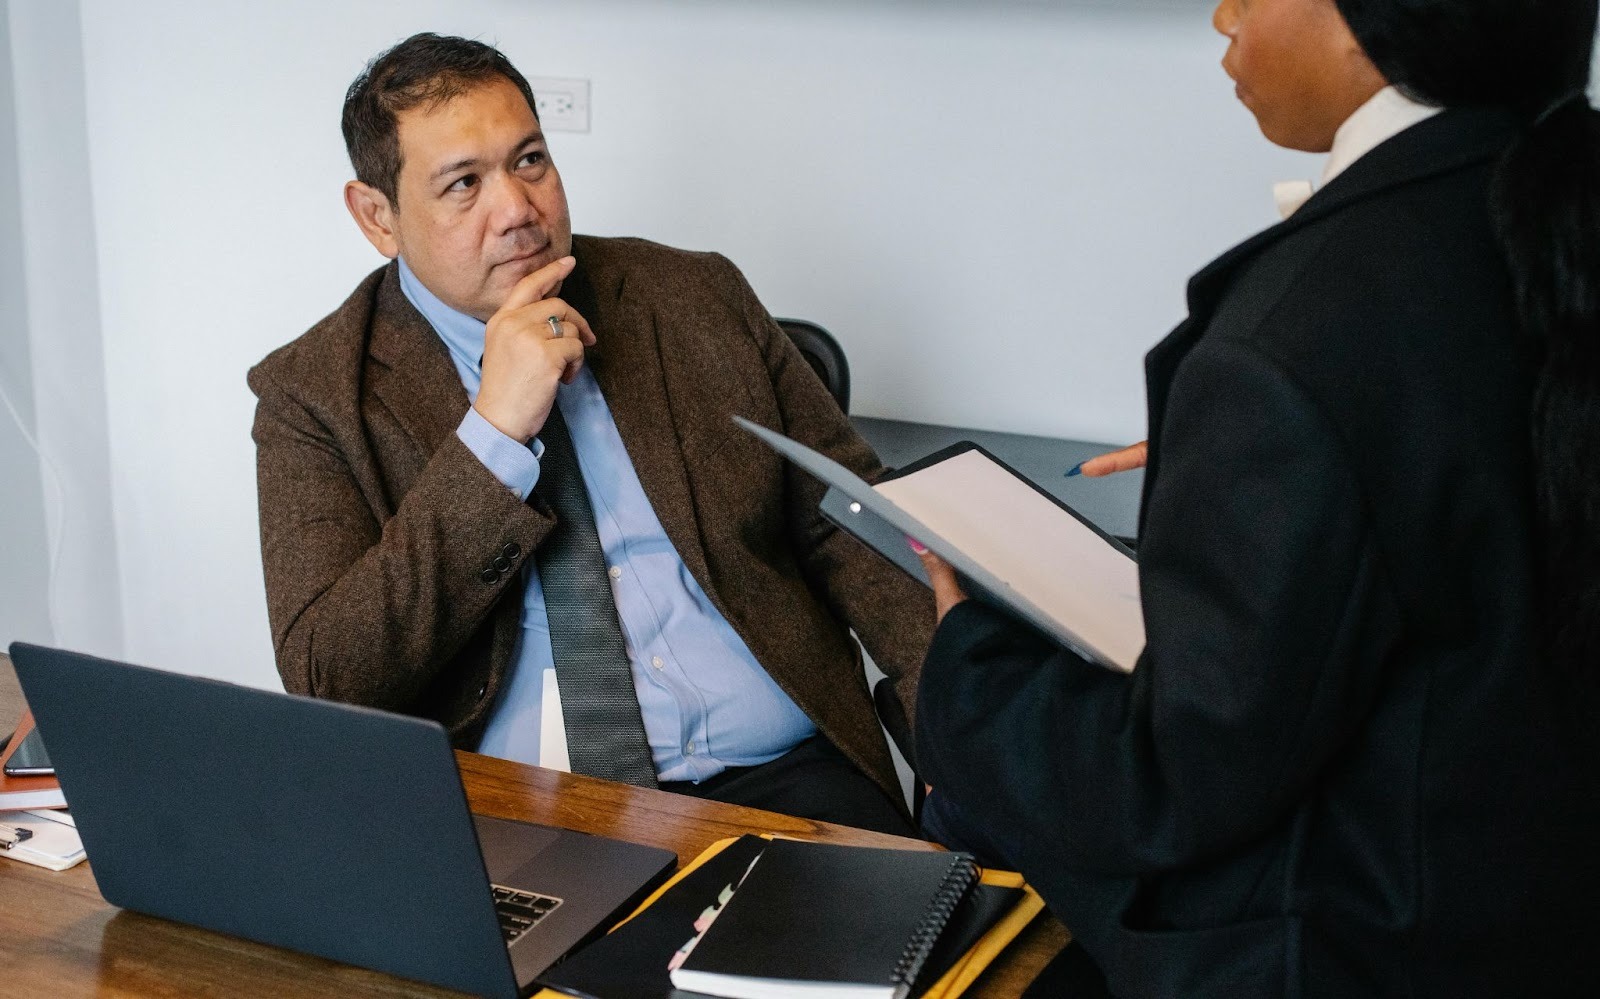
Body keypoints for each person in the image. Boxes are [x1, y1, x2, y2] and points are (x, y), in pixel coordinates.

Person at [911, 0, 1600, 994]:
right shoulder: (1528, 214)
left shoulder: (1303, 329)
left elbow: (1178, 779)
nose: (1222, 14)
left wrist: (965, 661)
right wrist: (1258, 461)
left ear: (1374, 20)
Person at [248, 33, 932, 837]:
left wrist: (967, 728)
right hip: (526, 815)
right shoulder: (313, 395)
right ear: (378, 217)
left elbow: (855, 528)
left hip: (788, 779)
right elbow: (331, 676)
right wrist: (493, 437)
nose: (518, 210)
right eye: (464, 183)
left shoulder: (695, 296)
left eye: (529, 160)